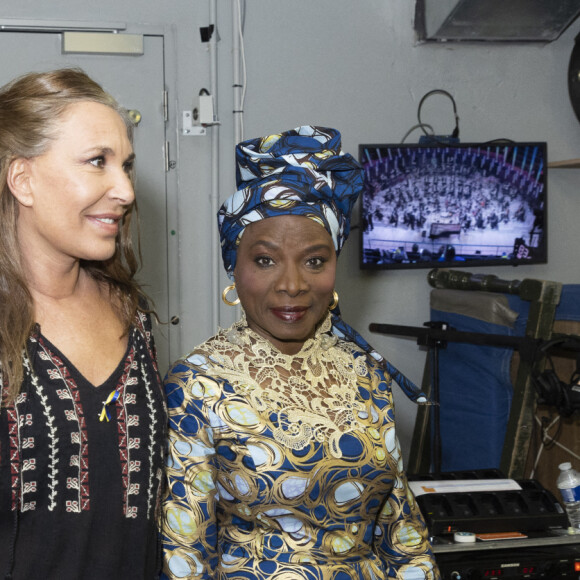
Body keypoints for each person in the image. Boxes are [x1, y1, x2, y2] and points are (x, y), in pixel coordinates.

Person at [161, 126, 440, 579]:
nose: (292, 284)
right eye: (265, 260)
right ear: (234, 266)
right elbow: (184, 554)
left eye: (315, 261)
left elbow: (400, 530)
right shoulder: (198, 384)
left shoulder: (363, 371)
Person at [0, 69, 167, 579]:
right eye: (98, 162)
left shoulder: (130, 313)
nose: (125, 190)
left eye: (127, 166)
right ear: (23, 180)